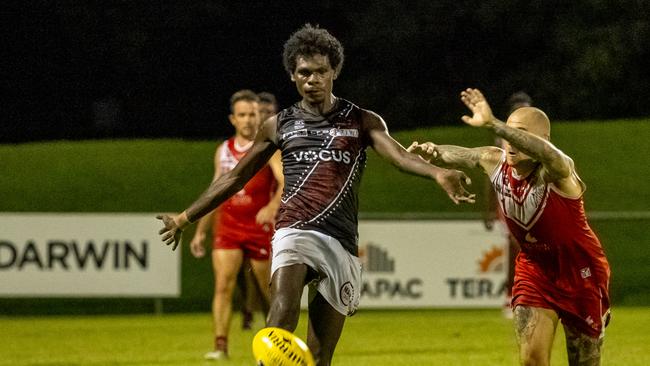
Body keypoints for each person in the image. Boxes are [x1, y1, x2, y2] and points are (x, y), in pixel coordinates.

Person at [158, 24, 474, 366]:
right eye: (304, 72)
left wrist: (438, 172)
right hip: (294, 230)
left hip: (340, 241)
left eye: (320, 71)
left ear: (334, 71)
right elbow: (234, 178)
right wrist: (184, 217)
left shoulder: (361, 121)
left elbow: (399, 156)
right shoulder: (278, 125)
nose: (312, 79)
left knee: (320, 355)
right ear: (293, 76)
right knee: (280, 312)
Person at [409, 88, 610, 365]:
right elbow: (464, 155)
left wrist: (494, 123)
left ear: (543, 139)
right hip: (535, 269)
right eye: (508, 134)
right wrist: (435, 153)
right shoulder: (495, 161)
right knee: (532, 361)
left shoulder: (558, 171)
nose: (510, 141)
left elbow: (550, 155)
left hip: (579, 270)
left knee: (584, 360)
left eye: (520, 134)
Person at [188, 89, 284, 360]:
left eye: (253, 114)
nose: (248, 120)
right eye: (242, 115)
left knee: (268, 292)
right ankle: (220, 346)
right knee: (223, 285)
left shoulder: (268, 148)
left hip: (260, 226)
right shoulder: (224, 151)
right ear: (233, 119)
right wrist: (200, 231)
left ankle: (272, 343)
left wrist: (272, 206)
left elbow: (285, 183)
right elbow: (215, 191)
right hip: (229, 225)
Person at [482, 91, 533, 318]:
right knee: (514, 247)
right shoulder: (501, 138)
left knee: (532, 248)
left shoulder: (538, 137)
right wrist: (489, 208)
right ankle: (509, 296)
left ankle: (531, 296)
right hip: (508, 198)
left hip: (532, 198)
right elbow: (490, 173)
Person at [235, 91, 281, 331]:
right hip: (246, 217)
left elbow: (284, 180)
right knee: (244, 272)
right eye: (259, 112)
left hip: (276, 218)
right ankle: (248, 310)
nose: (263, 116)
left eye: (267, 112)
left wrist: (273, 205)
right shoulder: (252, 143)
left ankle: (273, 323)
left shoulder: (279, 141)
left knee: (266, 276)